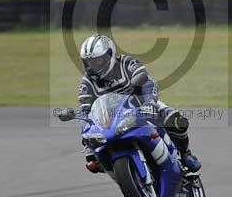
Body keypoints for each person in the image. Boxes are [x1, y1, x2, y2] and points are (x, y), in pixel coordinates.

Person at [76, 34, 201, 172]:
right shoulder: (86, 84)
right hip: (112, 120)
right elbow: (86, 112)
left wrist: (150, 104)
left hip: (142, 105)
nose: (92, 66)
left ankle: (185, 154)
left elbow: (147, 82)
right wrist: (87, 134)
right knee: (92, 160)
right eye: (88, 62)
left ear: (109, 56)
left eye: (97, 61)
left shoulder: (127, 63)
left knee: (176, 121)